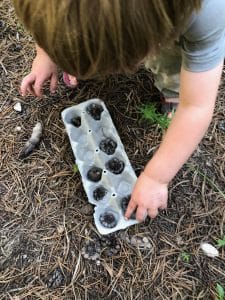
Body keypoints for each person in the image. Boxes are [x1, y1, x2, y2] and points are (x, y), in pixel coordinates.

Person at [13, 0, 225, 222]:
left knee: (171, 59)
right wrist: (46, 53)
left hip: (177, 28)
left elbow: (196, 106)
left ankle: (173, 90)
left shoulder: (206, 15)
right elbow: (41, 16)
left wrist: (156, 178)